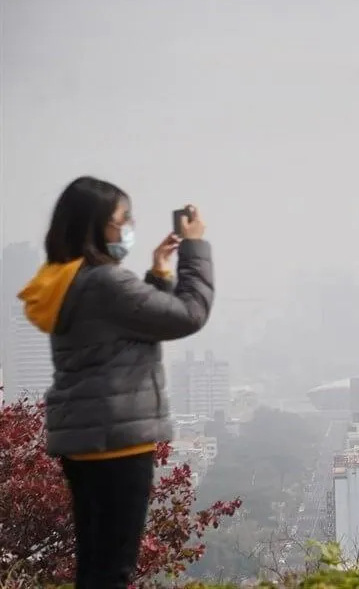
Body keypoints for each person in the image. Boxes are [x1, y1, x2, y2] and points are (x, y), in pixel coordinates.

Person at [17, 176, 214, 589]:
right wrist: (194, 248)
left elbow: (129, 328)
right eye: (122, 220)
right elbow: (189, 315)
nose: (128, 228)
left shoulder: (66, 282)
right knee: (112, 571)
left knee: (95, 564)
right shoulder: (105, 282)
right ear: (97, 226)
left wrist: (159, 274)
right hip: (119, 443)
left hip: (85, 441)